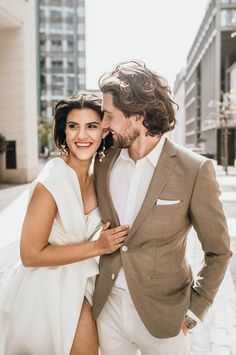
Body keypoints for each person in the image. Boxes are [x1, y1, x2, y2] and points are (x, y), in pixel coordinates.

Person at [92, 60, 232, 355]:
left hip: (166, 317)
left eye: (109, 115)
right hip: (108, 311)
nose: (103, 124)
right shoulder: (103, 162)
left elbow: (218, 251)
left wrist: (196, 309)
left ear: (138, 116)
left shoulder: (195, 170)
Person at [0, 92, 129, 355]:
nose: (82, 136)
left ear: (104, 132)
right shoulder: (52, 180)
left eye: (91, 126)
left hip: (81, 284)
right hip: (43, 289)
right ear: (64, 132)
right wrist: (97, 247)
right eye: (73, 126)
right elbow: (29, 254)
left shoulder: (100, 177)